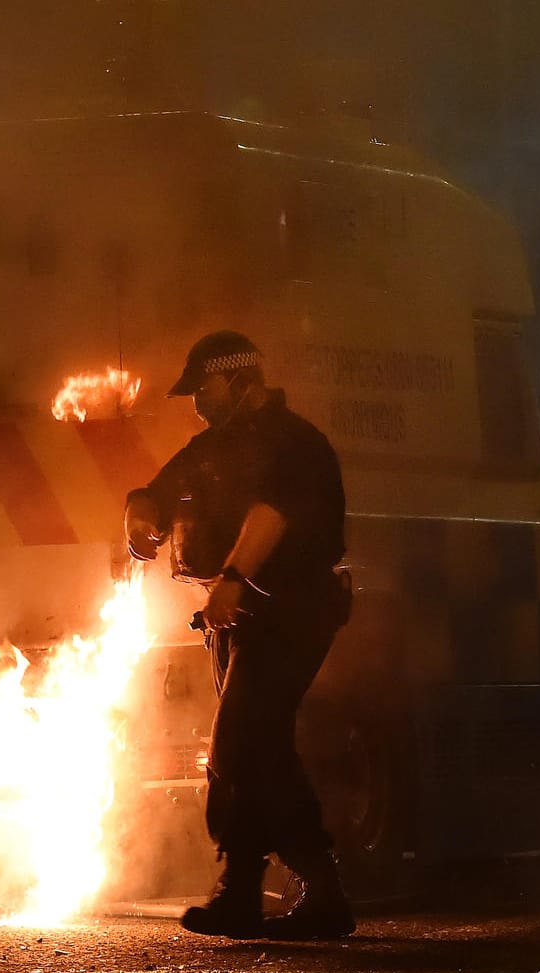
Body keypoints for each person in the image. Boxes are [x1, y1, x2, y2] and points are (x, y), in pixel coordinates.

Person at [123, 330, 356, 940]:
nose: (197, 402)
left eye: (204, 387)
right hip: (236, 616)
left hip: (290, 609)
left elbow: (271, 515)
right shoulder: (213, 447)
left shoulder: (295, 446)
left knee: (243, 741)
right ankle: (244, 892)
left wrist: (232, 577)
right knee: (250, 749)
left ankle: (318, 886)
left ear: (241, 381)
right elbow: (158, 488)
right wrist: (138, 510)